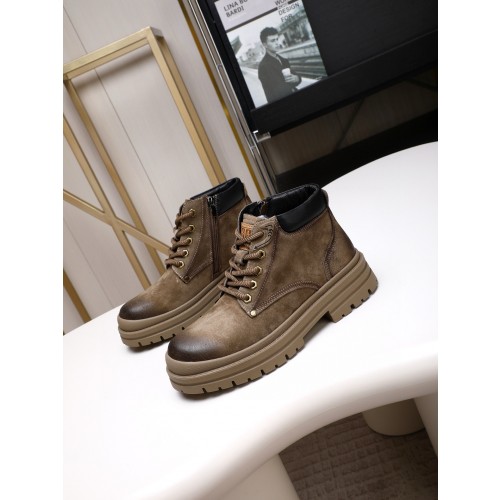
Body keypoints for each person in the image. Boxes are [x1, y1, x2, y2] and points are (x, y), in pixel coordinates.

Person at [258, 27, 301, 103]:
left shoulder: (283, 60)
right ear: (265, 45)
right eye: (273, 41)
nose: (277, 43)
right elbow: (277, 92)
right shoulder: (263, 66)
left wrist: (296, 78)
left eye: (277, 39)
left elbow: (295, 75)